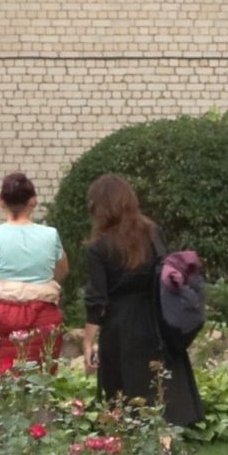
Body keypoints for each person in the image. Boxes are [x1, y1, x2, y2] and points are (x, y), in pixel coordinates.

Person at [82, 174, 203, 427]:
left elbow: (96, 301)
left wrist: (88, 343)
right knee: (161, 390)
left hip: (120, 327)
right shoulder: (152, 232)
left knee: (123, 393)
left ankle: (128, 448)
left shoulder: (99, 247)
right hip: (157, 318)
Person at [0, 172, 67, 377]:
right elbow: (62, 271)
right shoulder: (50, 236)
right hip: (43, 319)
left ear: (1, 202)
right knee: (40, 381)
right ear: (33, 201)